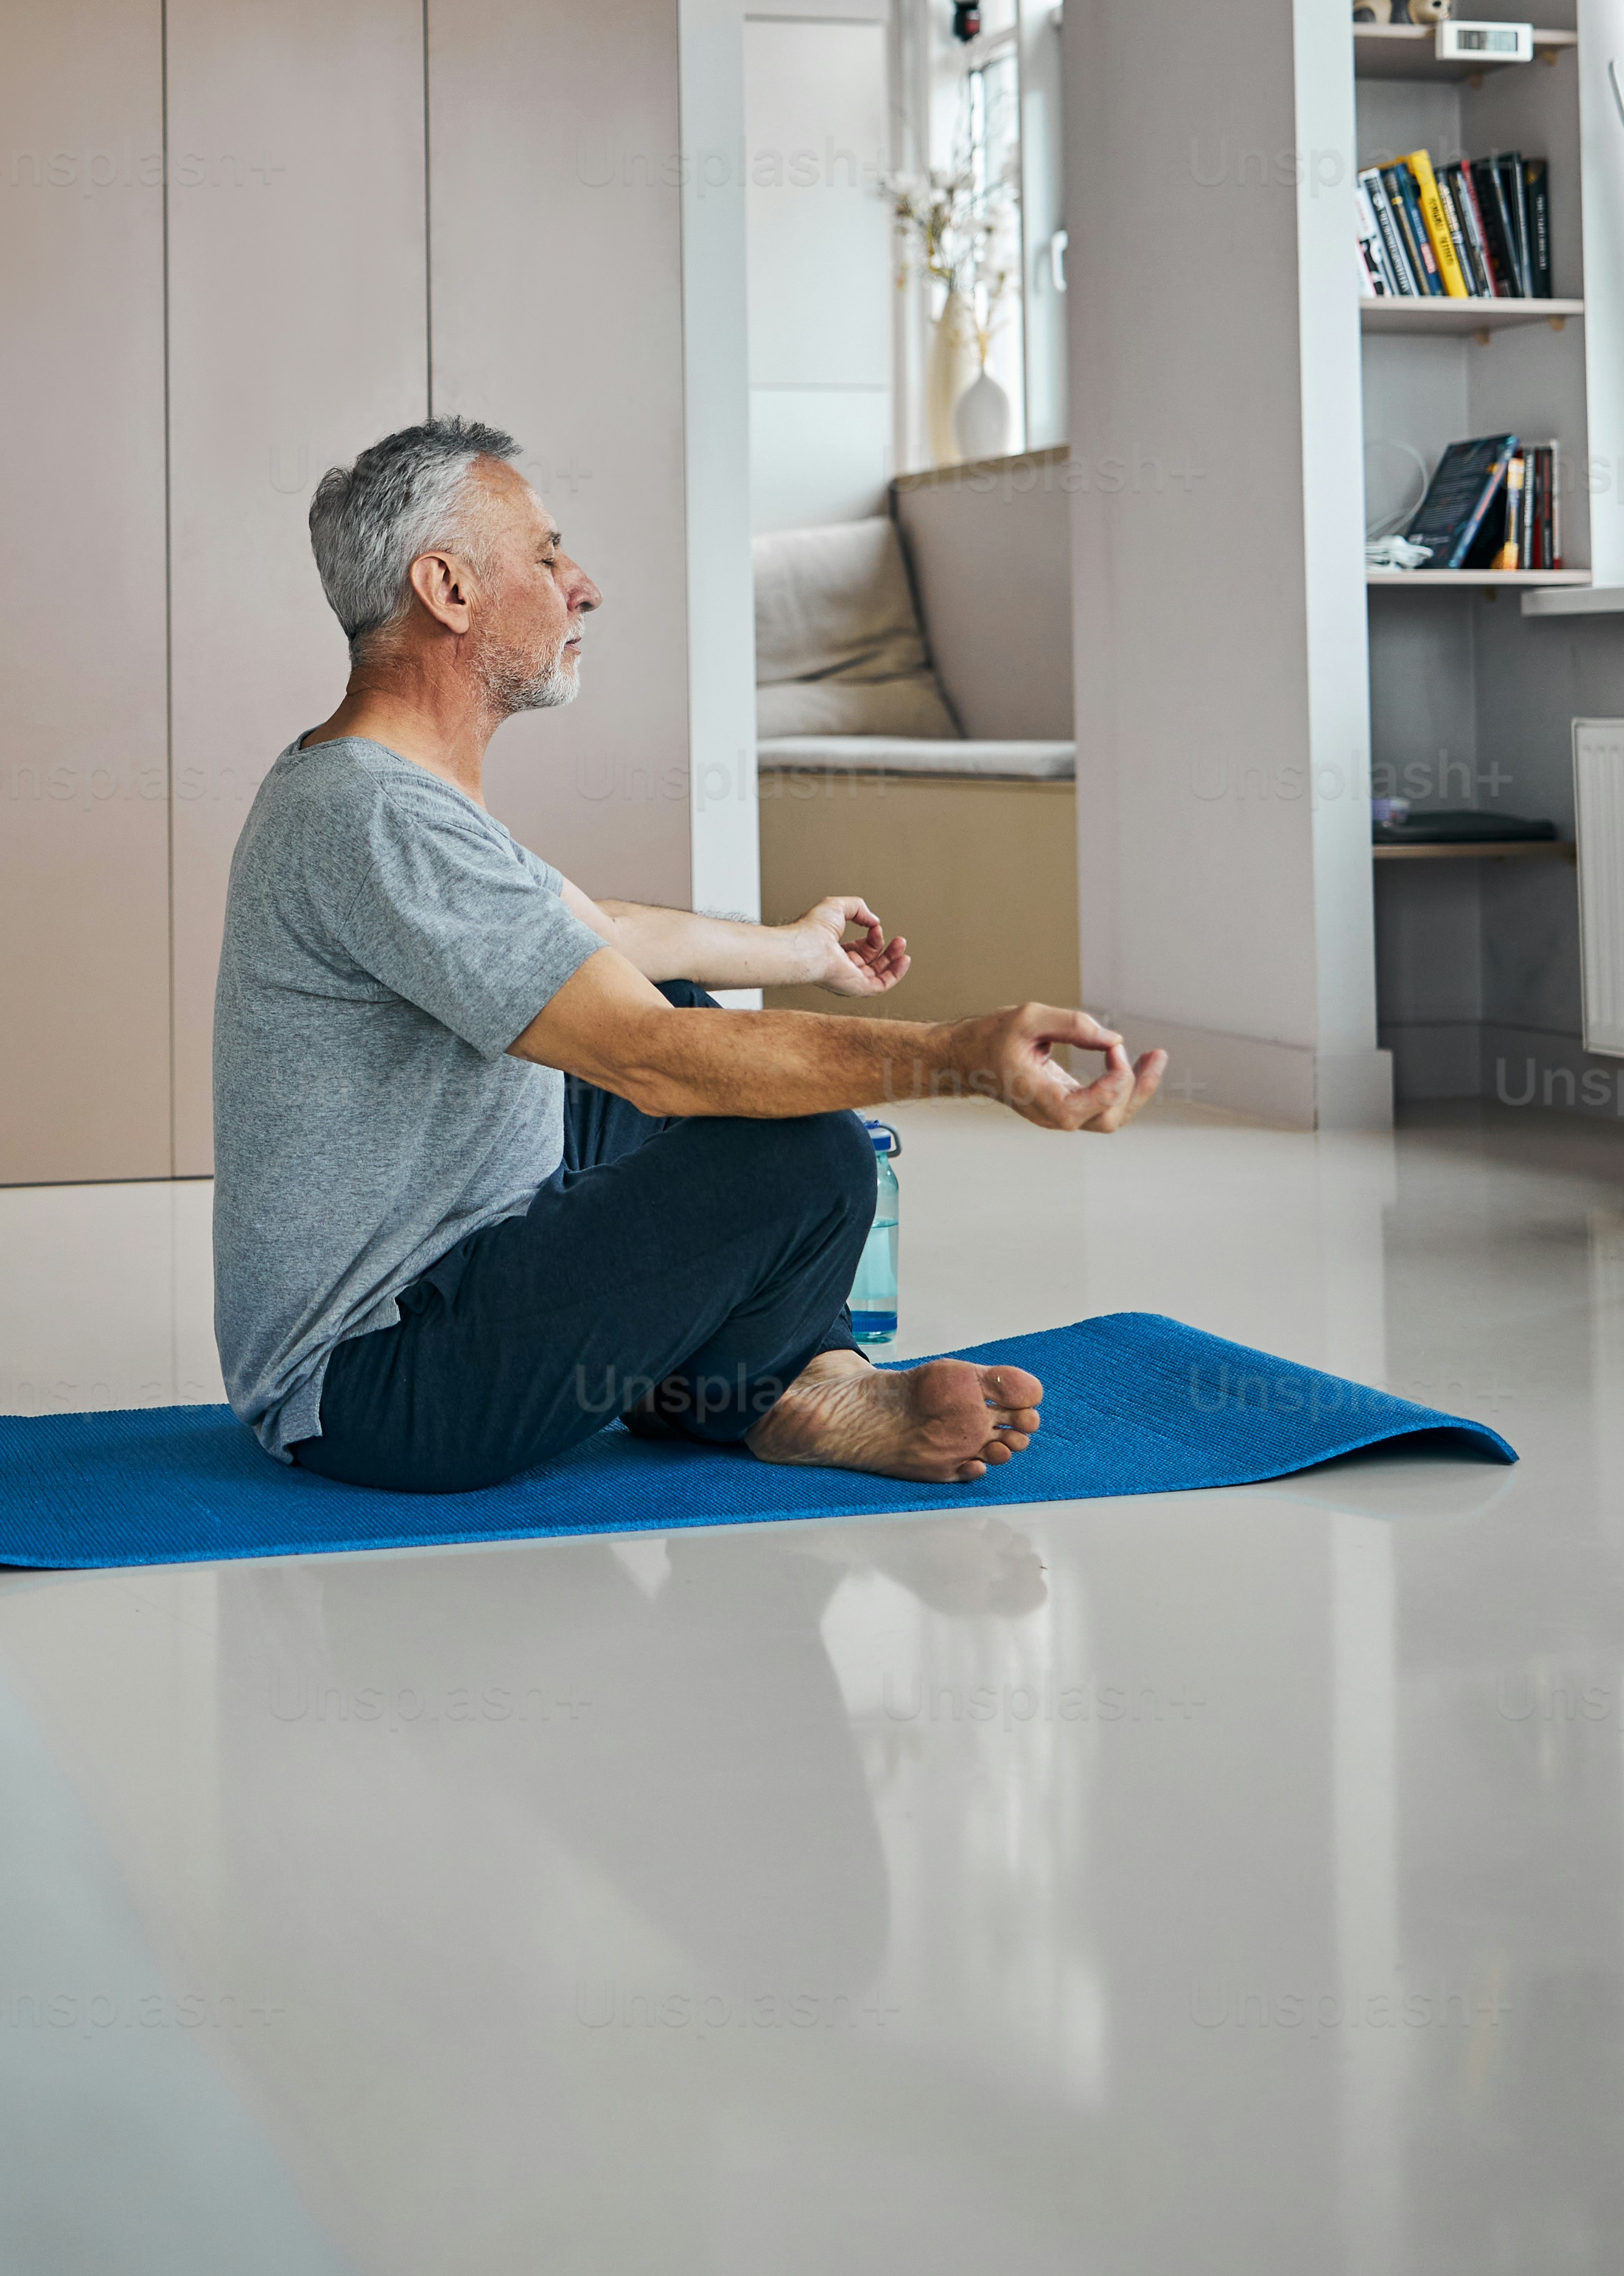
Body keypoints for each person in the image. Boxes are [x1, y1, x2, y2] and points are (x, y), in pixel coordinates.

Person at [212, 415, 1165, 1497]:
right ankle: (783, 1382)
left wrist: (799, 949)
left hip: (444, 1304)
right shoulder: (376, 817)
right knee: (796, 1148)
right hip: (378, 1390)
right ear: (449, 590)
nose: (584, 586)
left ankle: (763, 1384)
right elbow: (650, 1061)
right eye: (545, 555)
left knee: (662, 1000)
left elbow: (602, 936)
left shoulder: (381, 787)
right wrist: (964, 1057)